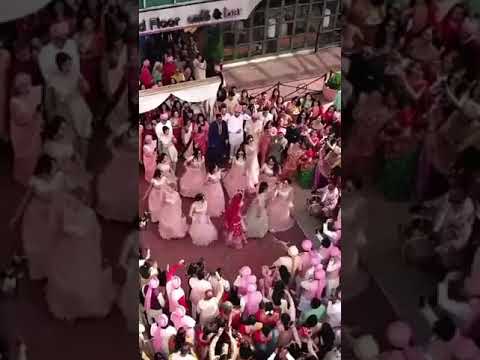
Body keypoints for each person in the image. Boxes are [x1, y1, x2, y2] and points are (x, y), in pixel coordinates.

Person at [45, 187, 115, 320]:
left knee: (82, 277)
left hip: (83, 251)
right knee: (67, 276)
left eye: (74, 200)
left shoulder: (89, 214)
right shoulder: (68, 211)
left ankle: (80, 308)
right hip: (69, 250)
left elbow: (88, 232)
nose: (72, 203)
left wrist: (66, 229)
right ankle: (68, 309)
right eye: (70, 200)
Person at [50, 51, 92, 161]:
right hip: (65, 110)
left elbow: (87, 89)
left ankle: (83, 159)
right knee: (70, 137)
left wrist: (84, 85)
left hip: (79, 107)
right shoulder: (55, 79)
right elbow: (59, 98)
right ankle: (74, 161)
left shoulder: (76, 73)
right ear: (60, 65)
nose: (69, 67)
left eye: (70, 64)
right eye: (66, 65)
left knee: (84, 134)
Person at [96, 124, 138, 222]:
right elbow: (109, 143)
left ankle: (122, 217)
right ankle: (109, 215)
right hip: (120, 163)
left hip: (132, 167)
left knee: (128, 193)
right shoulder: (126, 129)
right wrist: (116, 133)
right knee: (112, 190)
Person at [9, 73, 43, 186]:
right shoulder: (14, 101)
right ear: (18, 87)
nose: (27, 87)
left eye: (28, 84)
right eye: (23, 85)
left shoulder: (32, 94)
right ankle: (21, 177)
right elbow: (20, 119)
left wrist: (38, 113)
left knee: (34, 152)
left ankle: (33, 173)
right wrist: (34, 112)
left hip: (33, 131)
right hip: (22, 134)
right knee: (23, 156)